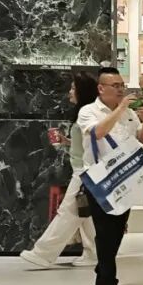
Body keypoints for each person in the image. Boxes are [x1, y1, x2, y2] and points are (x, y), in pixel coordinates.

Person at [77, 67, 143, 285]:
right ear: (101, 88)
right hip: (100, 179)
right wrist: (120, 109)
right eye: (116, 86)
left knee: (118, 229)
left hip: (125, 179)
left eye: (122, 85)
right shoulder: (88, 111)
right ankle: (109, 283)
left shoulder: (129, 113)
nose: (121, 90)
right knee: (104, 231)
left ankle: (102, 273)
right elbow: (98, 133)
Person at [19, 73, 100, 268]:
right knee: (84, 213)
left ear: (82, 91)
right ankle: (94, 253)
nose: (69, 92)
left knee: (67, 212)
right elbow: (85, 142)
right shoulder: (85, 113)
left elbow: (94, 142)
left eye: (73, 88)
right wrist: (68, 142)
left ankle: (43, 253)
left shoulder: (87, 114)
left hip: (84, 172)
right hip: (83, 169)